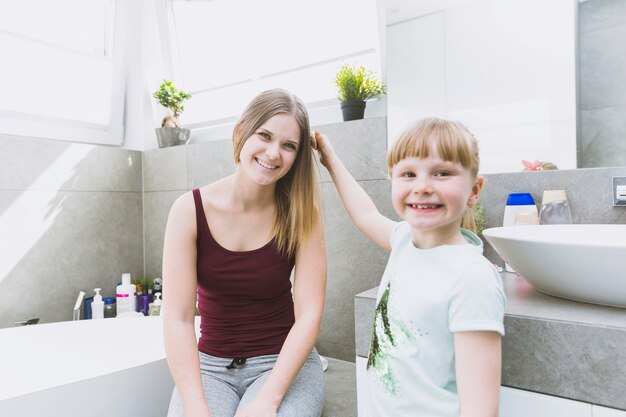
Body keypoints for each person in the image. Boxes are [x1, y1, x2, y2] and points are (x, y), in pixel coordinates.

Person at [313, 118, 506, 417]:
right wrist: (330, 159)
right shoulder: (404, 240)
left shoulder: (472, 277)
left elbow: (480, 409)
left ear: (474, 189)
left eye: (442, 173)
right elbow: (365, 214)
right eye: (408, 174)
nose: (423, 187)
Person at [162, 88, 327, 417]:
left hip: (281, 365)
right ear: (240, 133)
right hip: (210, 369)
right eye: (264, 135)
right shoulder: (188, 211)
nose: (273, 153)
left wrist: (268, 399)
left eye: (289, 145)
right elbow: (178, 319)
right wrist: (195, 407)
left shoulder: (301, 213)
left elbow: (309, 314)